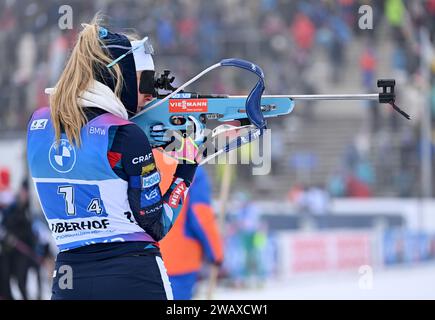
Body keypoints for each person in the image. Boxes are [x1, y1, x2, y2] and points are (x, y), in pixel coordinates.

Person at [26, 16, 202, 300]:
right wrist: (186, 172)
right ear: (117, 75)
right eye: (142, 80)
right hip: (133, 273)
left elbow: (90, 147)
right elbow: (156, 223)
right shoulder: (126, 135)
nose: (147, 93)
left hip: (70, 277)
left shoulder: (38, 126)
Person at [157, 152, 223, 300]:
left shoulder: (140, 160)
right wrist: (216, 253)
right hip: (178, 260)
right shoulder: (193, 170)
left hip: (143, 259)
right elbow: (201, 215)